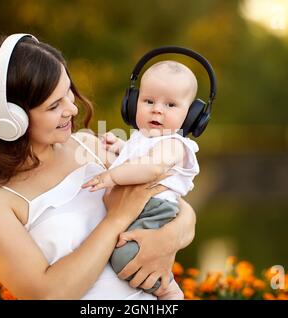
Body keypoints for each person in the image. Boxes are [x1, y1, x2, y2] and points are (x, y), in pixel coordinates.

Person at [0, 34, 196, 299]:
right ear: (12, 119)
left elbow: (177, 206)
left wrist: (167, 241)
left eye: (68, 92)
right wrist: (116, 220)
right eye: (54, 105)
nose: (73, 110)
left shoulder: (89, 145)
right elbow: (47, 295)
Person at [82, 60, 200, 299]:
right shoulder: (142, 137)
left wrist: (111, 175)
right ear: (132, 103)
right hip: (137, 206)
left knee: (126, 257)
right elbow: (139, 158)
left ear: (192, 117)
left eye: (170, 104)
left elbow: (151, 167)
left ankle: (168, 289)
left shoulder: (176, 145)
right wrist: (120, 148)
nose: (157, 109)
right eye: (149, 101)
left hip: (154, 210)